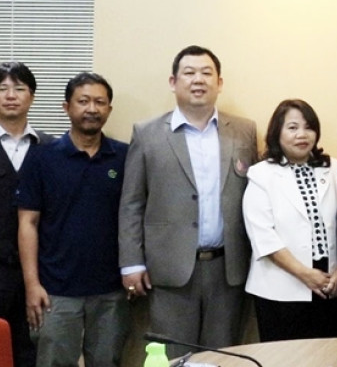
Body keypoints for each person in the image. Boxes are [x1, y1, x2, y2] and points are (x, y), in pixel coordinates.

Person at [118, 45, 258, 355]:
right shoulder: (147, 133)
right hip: (169, 270)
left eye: (207, 73)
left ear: (219, 83)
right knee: (174, 356)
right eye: (189, 73)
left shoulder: (244, 132)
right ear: (173, 82)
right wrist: (131, 263)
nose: (198, 80)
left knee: (223, 356)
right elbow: (132, 204)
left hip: (228, 268)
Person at [16, 72, 129, 367]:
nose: (92, 109)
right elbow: (27, 223)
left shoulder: (124, 157)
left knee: (107, 362)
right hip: (55, 290)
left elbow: (136, 216)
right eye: (83, 101)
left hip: (111, 290)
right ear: (66, 107)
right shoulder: (41, 158)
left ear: (109, 109)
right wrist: (32, 285)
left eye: (100, 102)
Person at [243, 99, 337, 341]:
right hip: (280, 287)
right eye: (292, 127)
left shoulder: (335, 169)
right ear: (277, 133)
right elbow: (263, 235)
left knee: (332, 355)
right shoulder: (261, 174)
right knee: (284, 356)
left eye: (309, 127)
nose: (302, 134)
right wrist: (305, 274)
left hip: (331, 284)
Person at [1, 61, 51, 367]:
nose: (10, 96)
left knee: (34, 351)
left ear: (31, 96)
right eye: (2, 89)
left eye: (19, 88)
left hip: (41, 271)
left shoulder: (51, 147)